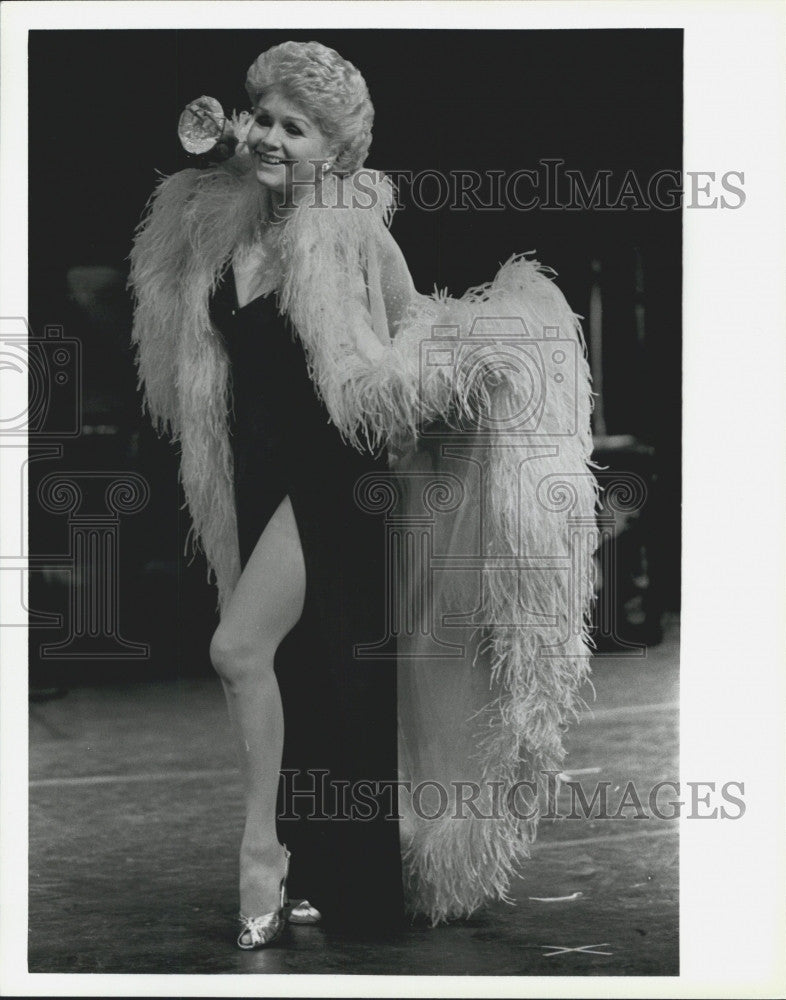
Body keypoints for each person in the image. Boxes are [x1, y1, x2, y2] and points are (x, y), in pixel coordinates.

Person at [129, 40, 598, 949]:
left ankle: (259, 852)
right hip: (255, 476)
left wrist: (470, 354)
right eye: (260, 116)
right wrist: (219, 151)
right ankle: (327, 869)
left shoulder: (353, 231)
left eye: (293, 129)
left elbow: (405, 336)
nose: (268, 136)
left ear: (336, 153)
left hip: (331, 479)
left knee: (237, 650)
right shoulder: (224, 223)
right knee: (309, 679)